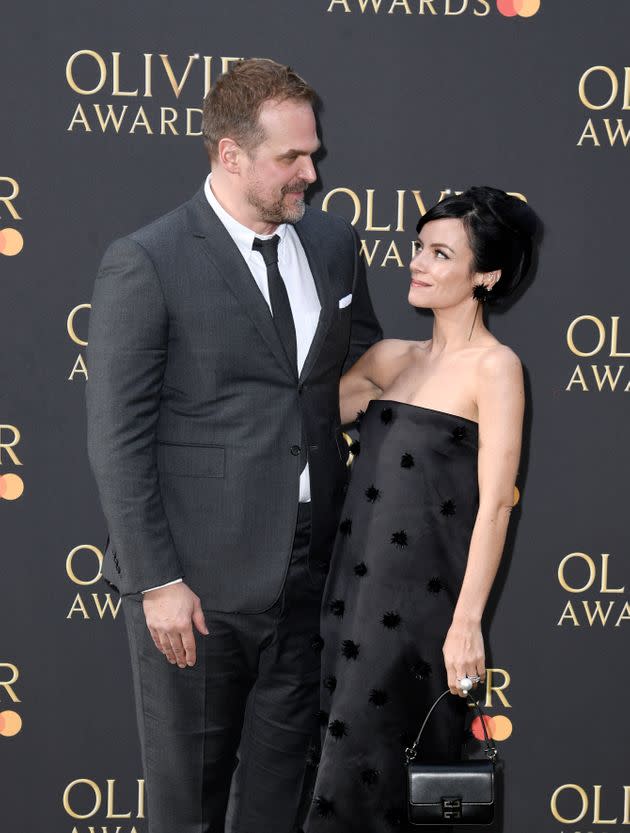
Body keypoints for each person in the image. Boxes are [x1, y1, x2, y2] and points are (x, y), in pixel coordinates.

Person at [85, 58, 381, 833]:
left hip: (310, 577)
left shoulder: (332, 243)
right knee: (190, 809)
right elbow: (118, 438)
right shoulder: (148, 261)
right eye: (292, 158)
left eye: (312, 153)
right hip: (199, 589)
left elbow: (362, 365)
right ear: (231, 156)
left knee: (282, 803)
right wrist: (157, 582)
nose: (311, 173)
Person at [304, 186, 539, 832]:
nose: (419, 263)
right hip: (342, 600)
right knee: (322, 771)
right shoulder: (388, 360)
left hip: (418, 618)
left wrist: (466, 624)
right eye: (418, 249)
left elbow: (495, 505)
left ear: (485, 275)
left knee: (382, 785)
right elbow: (298, 412)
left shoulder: (495, 368)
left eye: (441, 253)